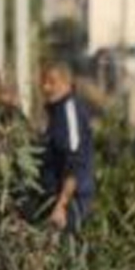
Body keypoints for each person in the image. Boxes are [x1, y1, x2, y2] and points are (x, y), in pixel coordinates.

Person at [39, 62, 95, 234]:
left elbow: (74, 161)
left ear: (67, 83)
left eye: (52, 82)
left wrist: (61, 206)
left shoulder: (69, 111)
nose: (46, 87)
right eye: (43, 82)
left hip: (70, 202)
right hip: (55, 199)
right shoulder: (56, 112)